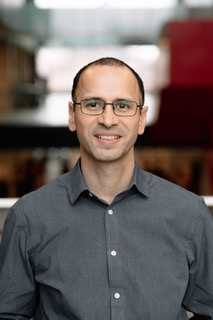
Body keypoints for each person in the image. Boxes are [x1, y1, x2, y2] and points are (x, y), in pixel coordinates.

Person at [0, 57, 213, 320]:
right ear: (72, 115)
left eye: (123, 105)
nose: (108, 119)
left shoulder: (190, 213)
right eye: (93, 104)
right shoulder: (28, 216)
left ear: (141, 118)